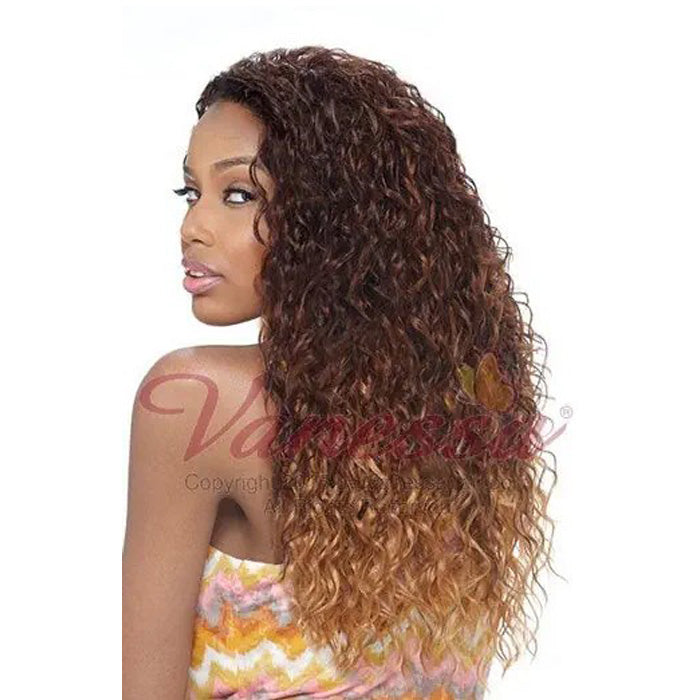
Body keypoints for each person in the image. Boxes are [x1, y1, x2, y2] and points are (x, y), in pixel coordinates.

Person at [122, 45, 557, 699]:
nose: (193, 226)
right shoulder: (465, 411)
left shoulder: (194, 398)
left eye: (238, 194)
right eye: (191, 192)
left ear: (331, 220)